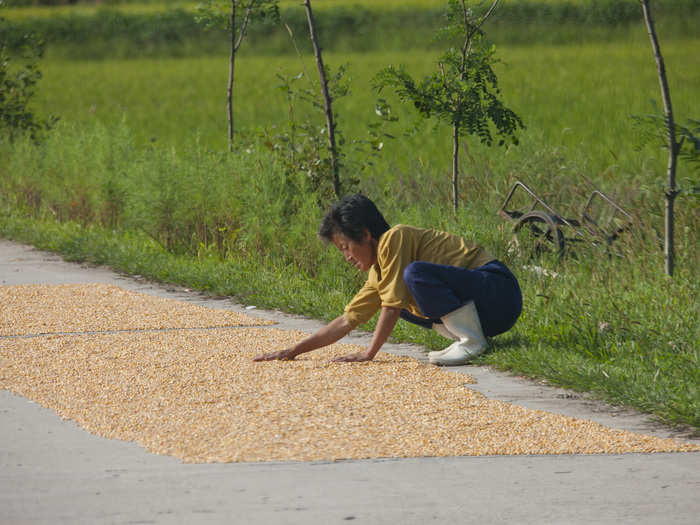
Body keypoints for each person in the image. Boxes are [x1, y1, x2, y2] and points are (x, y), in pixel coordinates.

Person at [253, 194, 522, 366]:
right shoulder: (378, 272)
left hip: (498, 291)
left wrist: (368, 354)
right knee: (395, 291)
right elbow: (347, 320)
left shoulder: (396, 237)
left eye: (345, 247)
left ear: (365, 233)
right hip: (486, 310)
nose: (346, 257)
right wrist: (293, 351)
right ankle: (468, 339)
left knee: (412, 277)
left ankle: (472, 342)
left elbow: (391, 307)